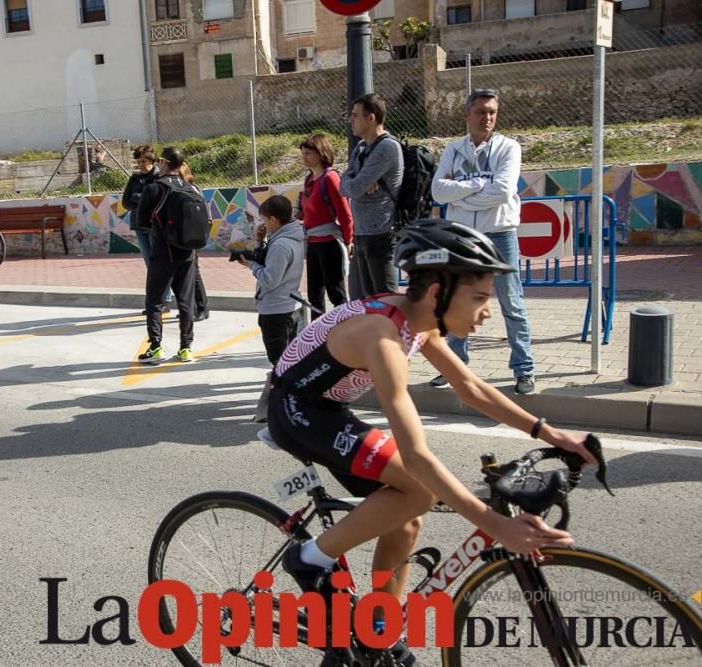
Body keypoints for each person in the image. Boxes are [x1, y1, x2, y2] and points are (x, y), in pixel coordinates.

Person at [265, 220, 595, 665]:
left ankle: (372, 631)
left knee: (405, 519)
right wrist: (495, 525)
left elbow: (470, 387)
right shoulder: (380, 336)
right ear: (438, 292)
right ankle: (310, 559)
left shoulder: (418, 319)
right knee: (416, 489)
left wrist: (549, 432)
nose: (486, 311)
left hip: (327, 408)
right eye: (478, 298)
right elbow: (417, 454)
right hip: (296, 411)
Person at [430, 88, 535, 395]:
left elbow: (503, 191)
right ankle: (454, 368)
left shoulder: (508, 148)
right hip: (464, 236)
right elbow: (438, 192)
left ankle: (524, 369)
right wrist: (478, 184)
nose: (487, 117)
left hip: (501, 233)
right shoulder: (453, 149)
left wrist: (462, 193)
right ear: (467, 115)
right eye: (480, 112)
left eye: (491, 112)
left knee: (511, 303)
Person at [135, 146, 200, 364]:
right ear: (181, 165)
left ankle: (156, 347)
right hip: (188, 253)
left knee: (154, 300)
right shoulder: (192, 188)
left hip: (163, 252)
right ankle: (186, 348)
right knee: (186, 301)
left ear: (163, 162)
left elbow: (141, 221)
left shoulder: (155, 188)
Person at [341, 94, 404, 299]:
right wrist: (355, 180)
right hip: (362, 232)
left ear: (371, 118)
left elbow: (354, 187)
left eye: (355, 115)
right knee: (371, 301)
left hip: (380, 233)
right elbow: (344, 186)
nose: (350, 120)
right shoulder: (361, 148)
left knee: (387, 300)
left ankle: (396, 332)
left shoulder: (387, 147)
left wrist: (355, 181)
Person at [236, 195, 305, 365]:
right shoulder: (293, 236)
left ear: (274, 219)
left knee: (279, 361)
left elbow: (270, 279)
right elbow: (271, 262)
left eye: (265, 220)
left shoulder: (281, 245)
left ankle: (282, 387)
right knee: (290, 359)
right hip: (291, 305)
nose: (264, 224)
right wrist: (260, 241)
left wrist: (251, 265)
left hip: (276, 310)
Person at [297, 133, 353, 316]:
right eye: (303, 152)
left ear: (321, 153)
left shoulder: (330, 178)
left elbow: (344, 212)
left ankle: (345, 333)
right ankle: (317, 338)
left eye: (308, 153)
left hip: (329, 242)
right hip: (313, 242)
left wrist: (348, 239)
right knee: (315, 294)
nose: (304, 156)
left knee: (336, 293)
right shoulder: (309, 179)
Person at [122, 145, 172, 314]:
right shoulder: (134, 178)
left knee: (159, 262)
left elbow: (159, 200)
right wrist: (144, 199)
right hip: (139, 225)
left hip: (155, 227)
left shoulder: (159, 177)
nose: (141, 165)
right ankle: (156, 301)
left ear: (151, 160)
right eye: (138, 162)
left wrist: (138, 198)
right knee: (150, 264)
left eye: (144, 161)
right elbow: (126, 202)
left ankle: (164, 300)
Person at [177, 161, 209, 323]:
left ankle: (202, 307)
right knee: (186, 272)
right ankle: (191, 306)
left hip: (192, 235)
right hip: (186, 235)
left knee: (193, 272)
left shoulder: (191, 188)